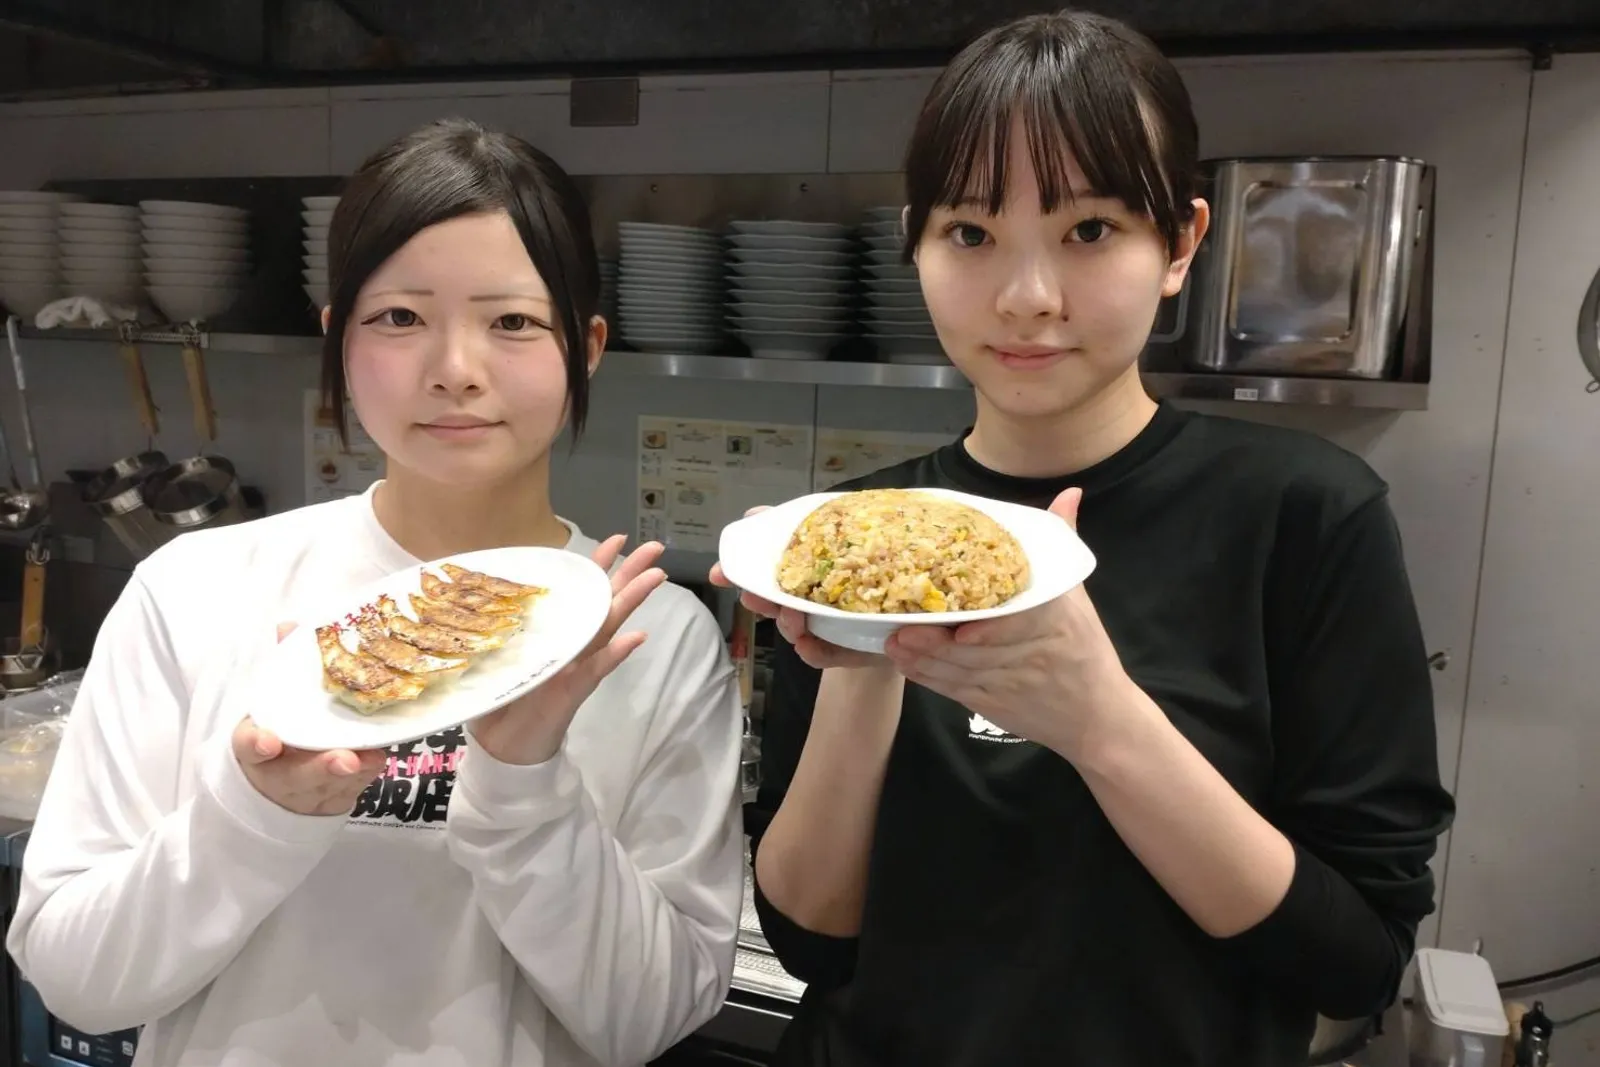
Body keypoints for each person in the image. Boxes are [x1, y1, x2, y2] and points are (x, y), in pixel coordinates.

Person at [716, 11, 1455, 1066]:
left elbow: (1354, 963)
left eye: (1091, 230)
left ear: (1181, 244)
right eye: (970, 234)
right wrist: (865, 656)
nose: (1027, 298)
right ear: (915, 244)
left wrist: (1100, 720)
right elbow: (808, 940)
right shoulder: (852, 534)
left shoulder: (1308, 516)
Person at [9, 119, 746, 1067]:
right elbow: (72, 975)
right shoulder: (193, 591)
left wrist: (524, 783)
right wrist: (257, 812)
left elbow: (651, 1018)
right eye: (399, 318)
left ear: (587, 346)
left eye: (513, 322)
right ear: (337, 339)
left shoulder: (649, 637)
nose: (455, 370)